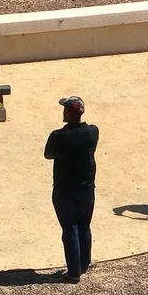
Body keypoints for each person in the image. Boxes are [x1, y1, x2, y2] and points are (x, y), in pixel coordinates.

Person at [44, 96, 99, 284]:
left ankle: (74, 272)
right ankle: (83, 264)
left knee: (70, 229)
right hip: (87, 189)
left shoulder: (59, 136)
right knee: (84, 226)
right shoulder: (92, 132)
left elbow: (48, 154)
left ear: (67, 113)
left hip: (64, 190)